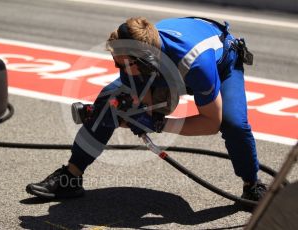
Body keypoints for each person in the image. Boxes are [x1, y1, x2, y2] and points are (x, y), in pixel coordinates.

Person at [26, 17, 267, 202]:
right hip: (162, 65)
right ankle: (71, 177)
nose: (118, 67)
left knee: (234, 124)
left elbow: (211, 123)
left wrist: (159, 124)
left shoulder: (197, 64)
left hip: (221, 62)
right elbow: (136, 92)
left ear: (145, 62)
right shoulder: (132, 50)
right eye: (116, 62)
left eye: (123, 64)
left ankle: (252, 185)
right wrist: (130, 112)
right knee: (108, 102)